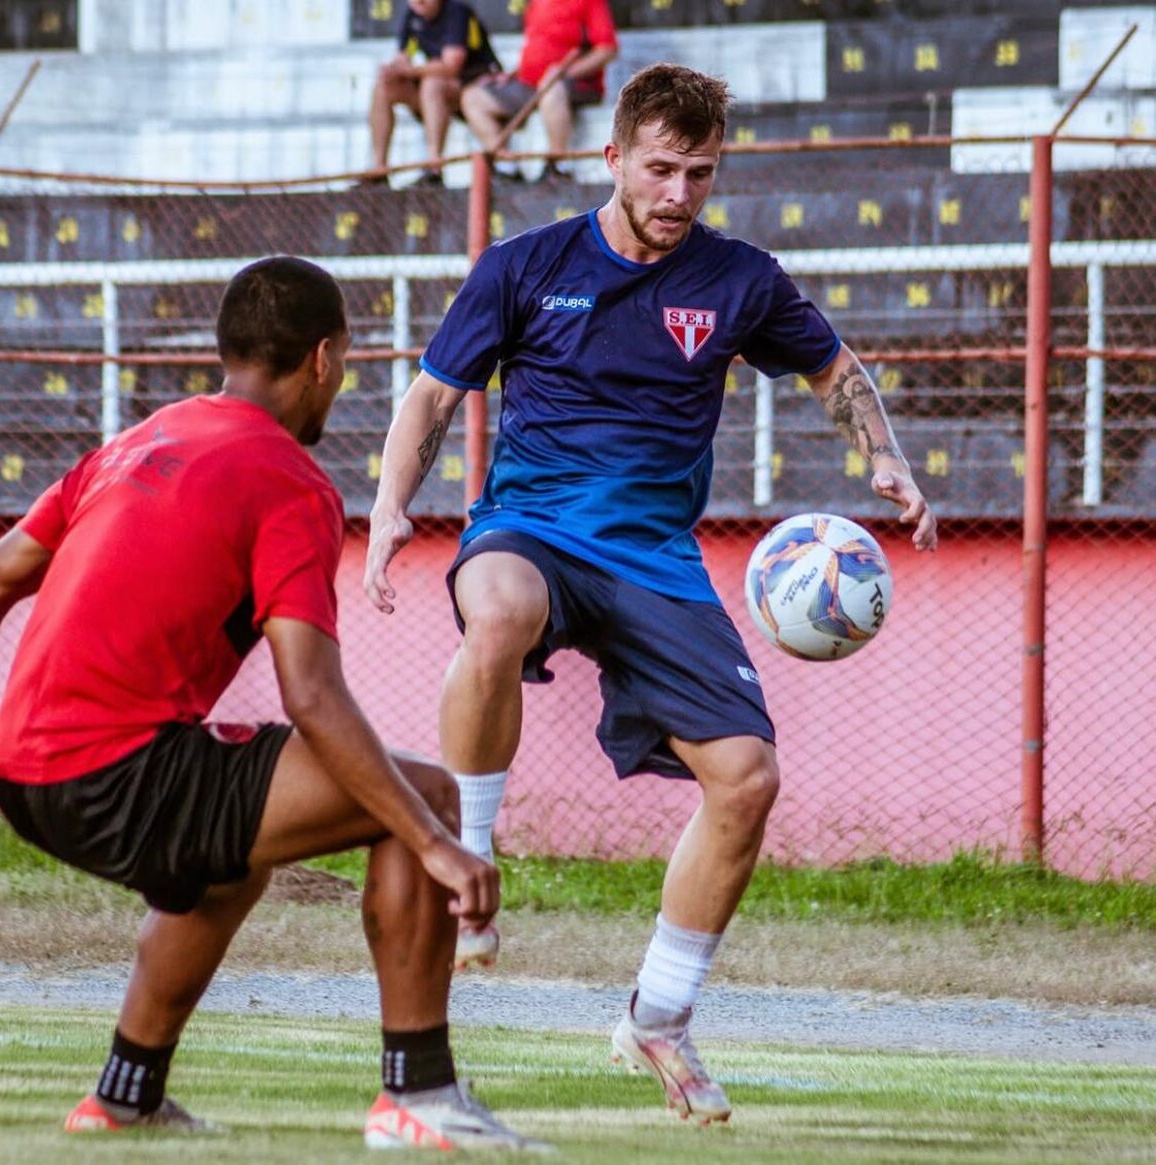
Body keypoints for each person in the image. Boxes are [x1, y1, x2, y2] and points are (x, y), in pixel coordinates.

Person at [364, 64, 938, 1124]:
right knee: (493, 613)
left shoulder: (739, 278)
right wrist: (391, 506)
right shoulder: (522, 266)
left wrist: (885, 459)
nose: (679, 194)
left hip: (655, 560)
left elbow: (832, 368)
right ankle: (470, 860)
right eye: (661, 169)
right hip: (529, 528)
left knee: (748, 776)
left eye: (700, 174)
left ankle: (658, 1017)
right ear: (612, 158)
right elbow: (431, 398)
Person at [0, 256, 547, 1152]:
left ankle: (125, 1093)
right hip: (116, 769)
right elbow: (312, 693)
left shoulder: (135, 442)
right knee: (421, 795)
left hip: (22, 771)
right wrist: (438, 844)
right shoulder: (291, 483)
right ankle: (419, 1095)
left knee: (232, 848)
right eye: (340, 367)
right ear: (323, 359)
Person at [461, 0, 617, 184]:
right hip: (529, 84)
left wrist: (566, 72)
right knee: (473, 97)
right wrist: (514, 73)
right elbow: (541, 48)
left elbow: (607, 49)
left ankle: (557, 165)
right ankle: (507, 168)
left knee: (551, 89)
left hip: (575, 83)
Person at [366, 0, 502, 187]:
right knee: (385, 86)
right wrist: (393, 69)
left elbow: (451, 65)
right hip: (438, 91)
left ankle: (434, 166)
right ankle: (379, 169)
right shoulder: (413, 15)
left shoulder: (457, 11)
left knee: (433, 85)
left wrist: (410, 71)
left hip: (474, 86)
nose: (419, 1)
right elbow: (403, 57)